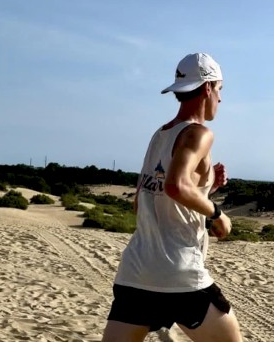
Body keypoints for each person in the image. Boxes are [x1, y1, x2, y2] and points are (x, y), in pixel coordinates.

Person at [102, 53, 242, 342]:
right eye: (219, 90)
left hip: (136, 274)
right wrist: (217, 214)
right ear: (207, 88)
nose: (220, 98)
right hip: (180, 275)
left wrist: (206, 187)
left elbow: (142, 201)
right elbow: (176, 187)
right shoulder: (200, 133)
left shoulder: (160, 135)